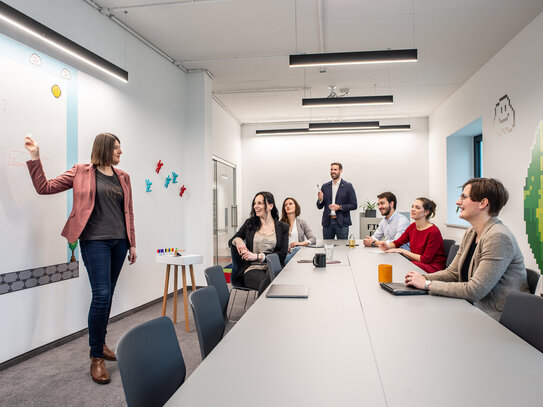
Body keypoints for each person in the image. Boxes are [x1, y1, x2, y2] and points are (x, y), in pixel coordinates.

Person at [24, 133, 136, 385]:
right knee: (102, 295)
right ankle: (96, 356)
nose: (120, 152)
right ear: (105, 149)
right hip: (93, 241)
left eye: (121, 148)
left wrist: (132, 244)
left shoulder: (124, 177)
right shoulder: (81, 172)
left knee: (109, 294)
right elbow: (45, 187)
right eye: (117, 148)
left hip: (119, 243)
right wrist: (35, 157)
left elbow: (128, 213)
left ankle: (101, 342)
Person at [405, 178, 529, 320]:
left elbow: (475, 290)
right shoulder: (471, 232)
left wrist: (427, 284)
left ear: (483, 203)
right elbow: (453, 273)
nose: (458, 202)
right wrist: (421, 278)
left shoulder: (498, 237)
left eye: (464, 197)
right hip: (473, 307)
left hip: (497, 317)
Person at [228, 191, 288, 295]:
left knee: (271, 276)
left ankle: (260, 310)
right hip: (252, 269)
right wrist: (238, 240)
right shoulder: (249, 224)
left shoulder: (282, 227)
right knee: (270, 286)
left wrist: (258, 256)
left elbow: (282, 255)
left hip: (272, 266)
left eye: (260, 203)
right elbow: (231, 241)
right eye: (254, 203)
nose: (256, 206)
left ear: (270, 206)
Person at [380, 197, 446, 273]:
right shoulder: (412, 227)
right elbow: (398, 242)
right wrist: (387, 246)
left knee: (402, 267)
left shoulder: (434, 232)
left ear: (426, 212)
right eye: (412, 207)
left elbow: (425, 260)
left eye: (417, 208)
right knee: (398, 265)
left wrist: (402, 251)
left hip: (432, 267)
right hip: (416, 263)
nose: (413, 209)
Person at [316, 162, 357, 239]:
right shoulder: (325, 186)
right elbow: (319, 206)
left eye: (335, 169)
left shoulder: (348, 186)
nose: (333, 171)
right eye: (331, 169)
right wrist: (320, 199)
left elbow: (354, 205)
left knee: (342, 249)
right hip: (327, 223)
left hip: (342, 223)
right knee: (327, 247)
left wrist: (339, 207)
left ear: (340, 171)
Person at [280, 197, 316, 264]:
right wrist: (284, 248)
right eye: (286, 205)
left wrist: (300, 243)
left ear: (296, 207)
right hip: (286, 254)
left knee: (297, 249)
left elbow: (313, 239)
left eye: (290, 204)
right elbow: (277, 243)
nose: (288, 206)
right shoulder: (280, 224)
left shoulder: (302, 222)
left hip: (298, 253)